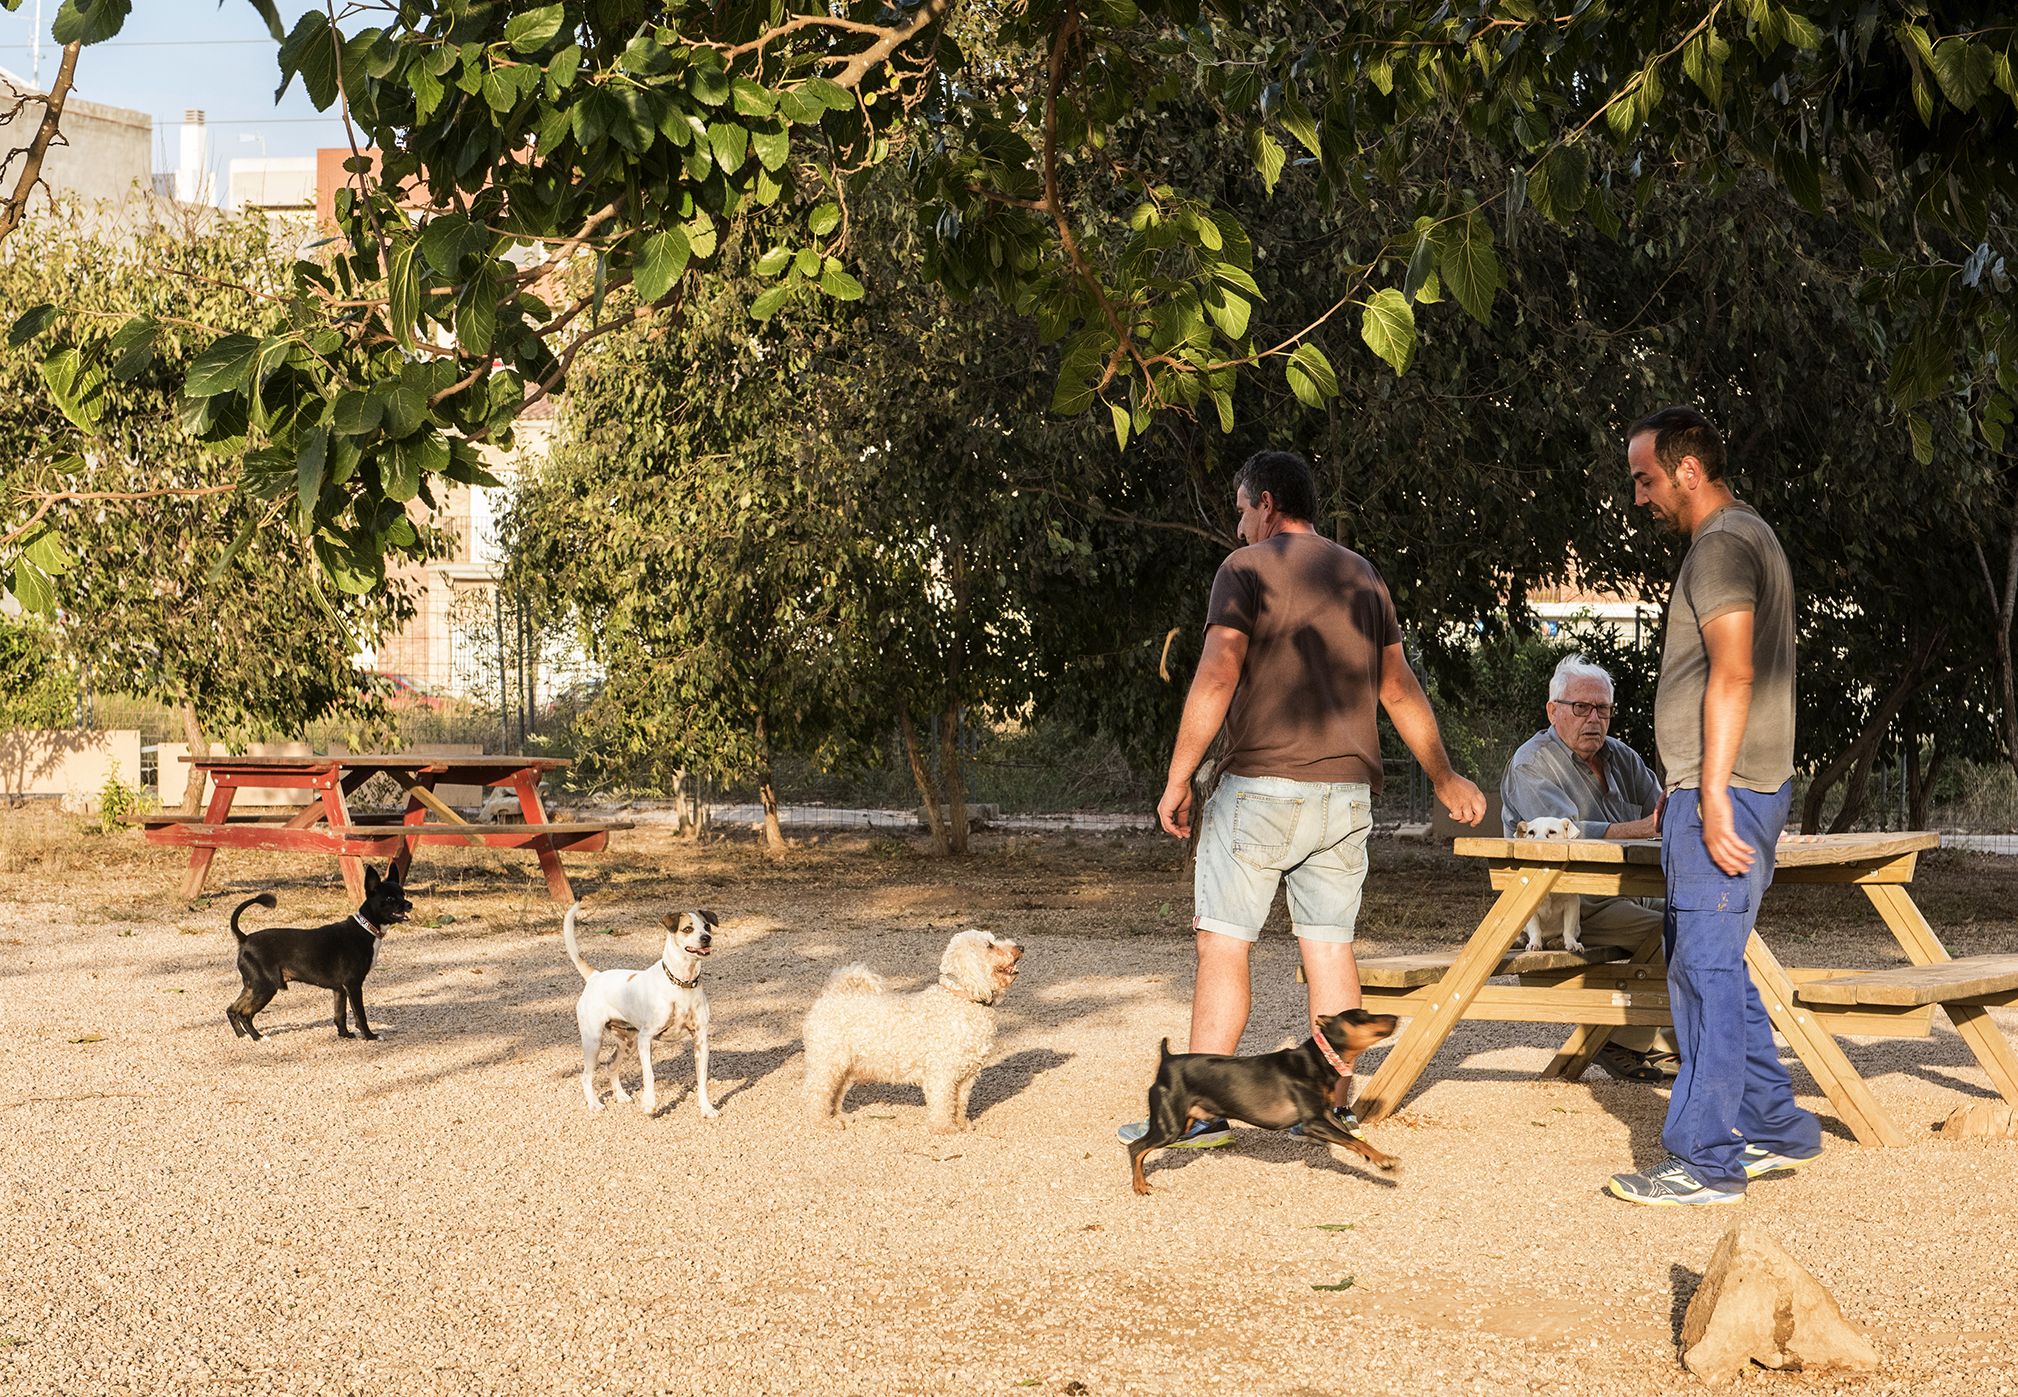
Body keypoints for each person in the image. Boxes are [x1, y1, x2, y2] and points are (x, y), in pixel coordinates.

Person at [1118, 449, 1485, 1150]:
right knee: (1329, 947)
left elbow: (1218, 671)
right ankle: (1334, 1106)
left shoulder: (1245, 570)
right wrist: (1444, 777)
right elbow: (1399, 688)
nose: (1237, 527)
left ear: (1264, 503)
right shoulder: (1363, 575)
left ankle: (1198, 1111)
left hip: (1260, 787)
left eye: (1239, 511)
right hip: (1345, 797)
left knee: (1224, 945)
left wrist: (1177, 778)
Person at [1606, 406, 1821, 1207]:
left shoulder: (1722, 546)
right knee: (1716, 960)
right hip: (1715, 783)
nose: (1640, 497)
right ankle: (1774, 1125)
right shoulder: (1749, 535)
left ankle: (1706, 1160)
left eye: (1646, 478)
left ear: (1686, 470)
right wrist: (1683, 780)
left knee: (1700, 969)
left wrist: (1716, 795)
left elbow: (1732, 673)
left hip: (1725, 792)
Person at [1500, 653, 1678, 1082]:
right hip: (1565, 906)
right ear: (1553, 710)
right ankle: (1624, 1041)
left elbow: (1664, 810)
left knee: (1708, 916)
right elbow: (1568, 841)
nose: (1593, 718)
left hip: (1626, 890)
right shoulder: (1533, 764)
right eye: (1581, 707)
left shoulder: (1621, 756)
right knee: (1670, 931)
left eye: (1603, 709)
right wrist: (1642, 827)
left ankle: (1675, 1041)